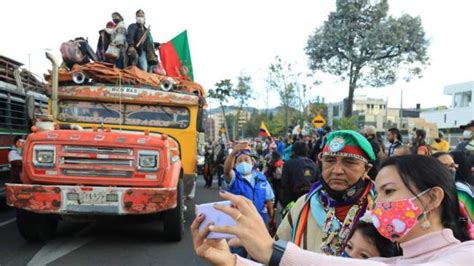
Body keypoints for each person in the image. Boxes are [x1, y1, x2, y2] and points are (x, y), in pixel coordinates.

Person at [191, 155, 474, 265]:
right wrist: (234, 262)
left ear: (431, 199)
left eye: (389, 192)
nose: (381, 204)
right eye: (329, 160)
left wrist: (271, 251)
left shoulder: (465, 255)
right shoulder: (396, 260)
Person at [279, 130, 376, 254]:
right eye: (330, 161)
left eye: (349, 162)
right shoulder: (303, 205)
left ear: (366, 169)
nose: (337, 170)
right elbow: (278, 252)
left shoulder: (380, 210)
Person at [223, 142, 275, 257]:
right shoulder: (233, 178)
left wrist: (271, 219)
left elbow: (269, 200)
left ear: (253, 162)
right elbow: (226, 170)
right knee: (238, 258)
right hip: (238, 226)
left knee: (260, 259)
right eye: (239, 161)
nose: (243, 163)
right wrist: (234, 153)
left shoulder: (262, 179)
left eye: (246, 160)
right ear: (235, 164)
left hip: (259, 226)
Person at [280, 141, 318, 208]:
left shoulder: (288, 164)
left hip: (293, 200)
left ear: (293, 151)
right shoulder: (313, 164)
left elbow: (284, 184)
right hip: (310, 199)